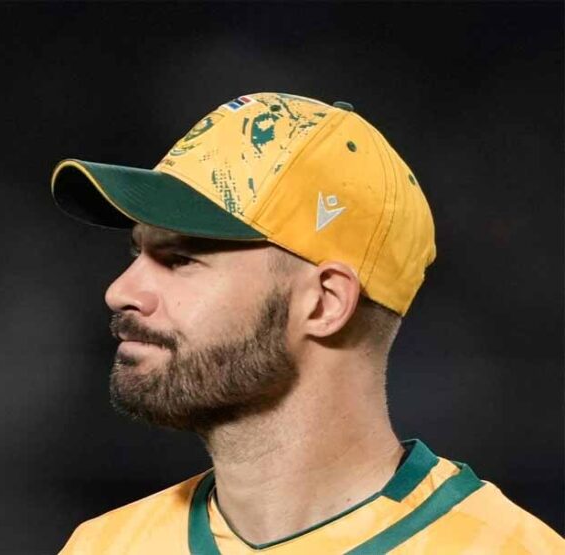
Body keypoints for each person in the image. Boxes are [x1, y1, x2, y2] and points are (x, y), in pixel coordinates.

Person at [51, 93, 563, 554]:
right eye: (137, 252)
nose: (120, 291)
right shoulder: (103, 546)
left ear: (325, 303)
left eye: (180, 259)